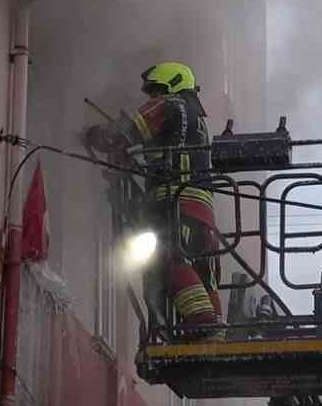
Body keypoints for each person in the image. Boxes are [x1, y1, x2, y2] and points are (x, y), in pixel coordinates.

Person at [84, 61, 224, 341]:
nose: (153, 98)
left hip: (175, 203)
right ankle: (215, 334)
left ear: (170, 85)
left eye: (156, 91)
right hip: (202, 211)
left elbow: (123, 132)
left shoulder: (171, 105)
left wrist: (92, 135)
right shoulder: (197, 120)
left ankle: (201, 319)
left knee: (167, 258)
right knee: (203, 272)